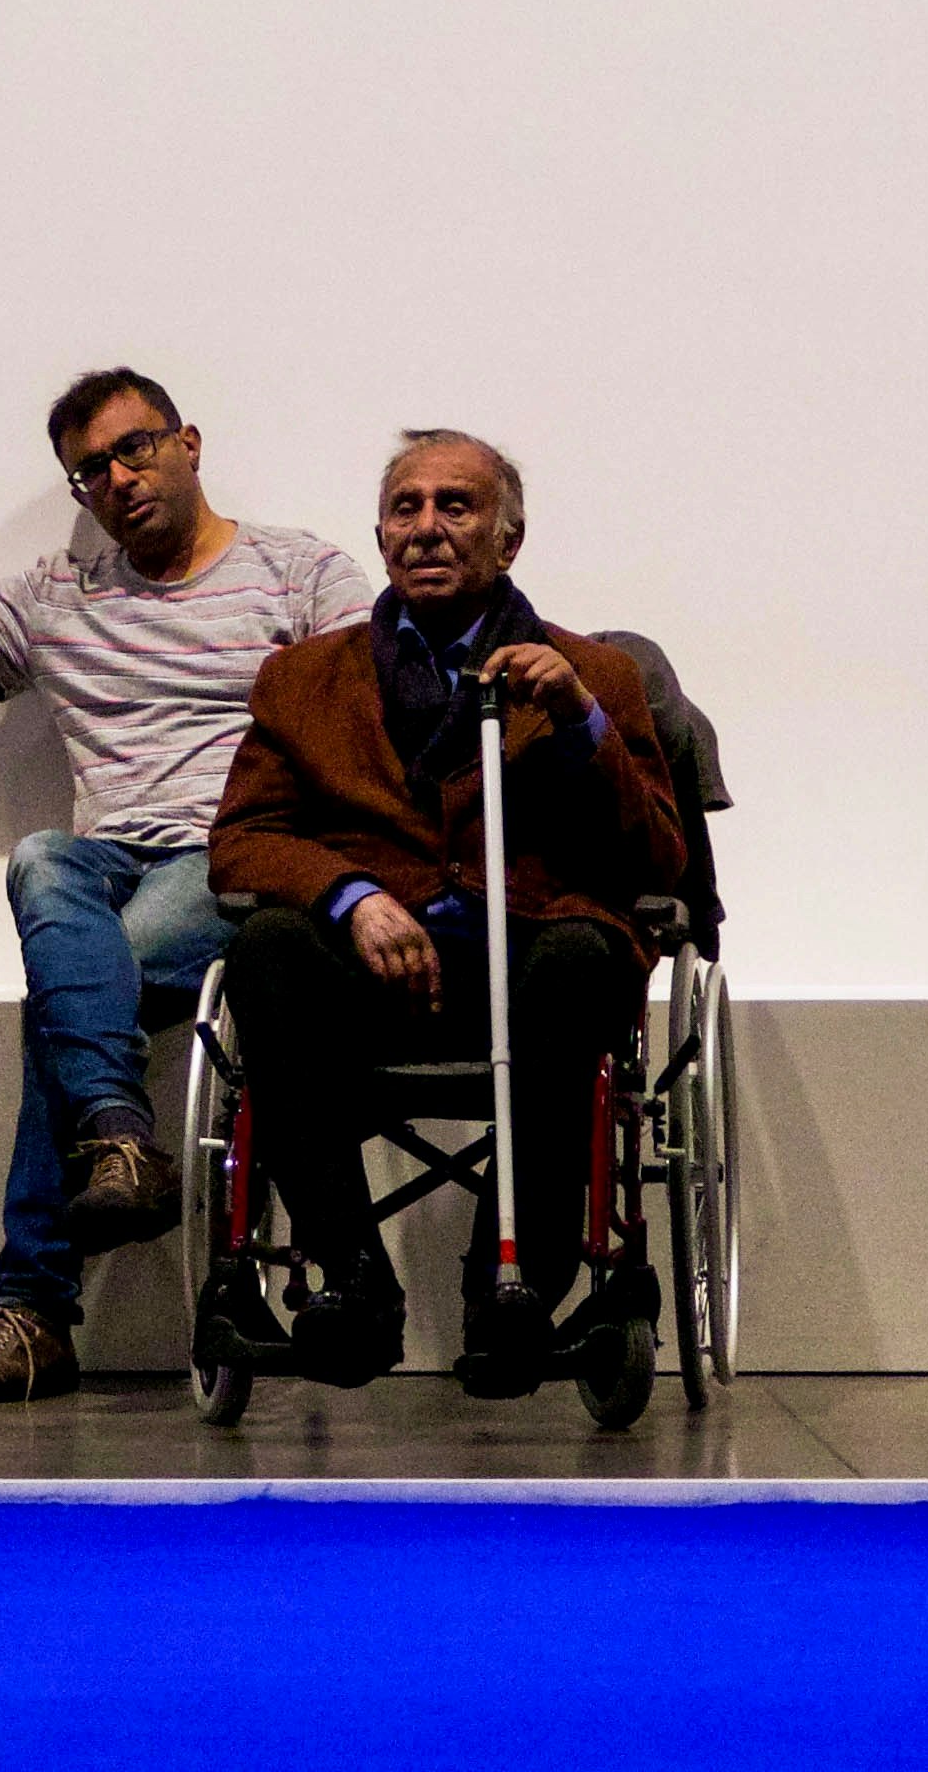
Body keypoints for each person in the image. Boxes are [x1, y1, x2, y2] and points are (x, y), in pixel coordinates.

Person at [0, 364, 368, 1402]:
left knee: (62, 1006)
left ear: (189, 442)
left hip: (238, 855)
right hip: (104, 862)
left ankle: (31, 1305)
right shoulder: (55, 596)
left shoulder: (301, 573)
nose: (115, 478)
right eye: (89, 471)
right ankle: (116, 1141)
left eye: (134, 448)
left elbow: (369, 705)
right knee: (35, 858)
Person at [207, 426, 684, 1398]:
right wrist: (350, 897)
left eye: (455, 506)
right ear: (380, 534)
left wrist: (582, 722)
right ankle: (352, 1278)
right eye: (405, 507)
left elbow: (658, 855)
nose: (426, 527)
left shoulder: (599, 673)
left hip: (533, 966)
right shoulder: (304, 679)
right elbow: (244, 839)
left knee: (582, 960)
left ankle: (511, 1291)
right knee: (265, 946)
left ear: (508, 541)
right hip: (376, 969)